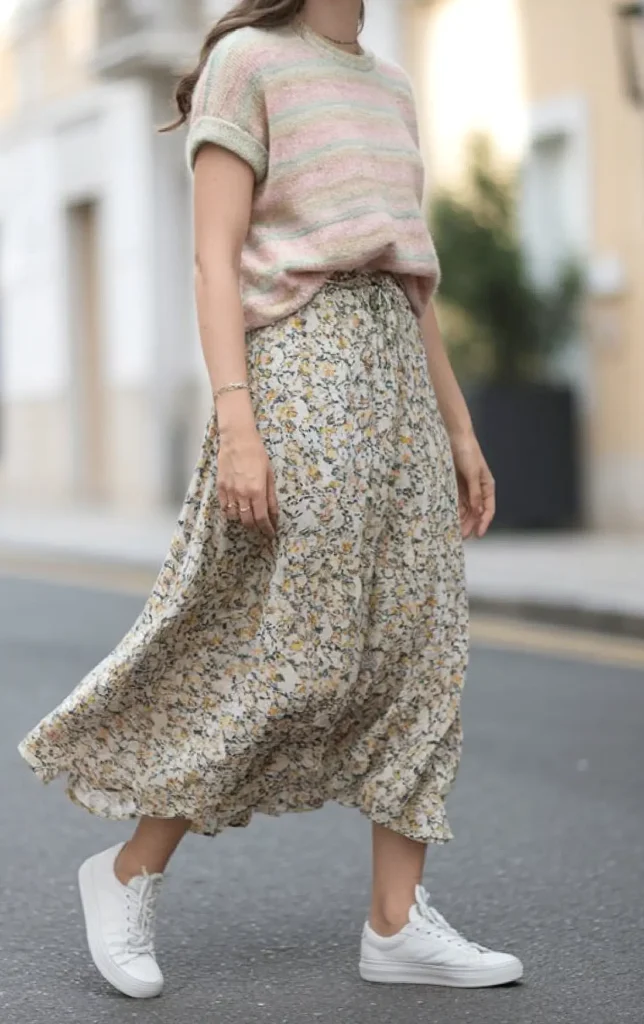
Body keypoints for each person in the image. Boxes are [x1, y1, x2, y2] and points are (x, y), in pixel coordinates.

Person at [19, 0, 523, 1001]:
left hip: (395, 381)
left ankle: (395, 922)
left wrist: (458, 427)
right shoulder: (247, 62)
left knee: (423, 648)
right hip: (300, 372)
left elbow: (410, 279)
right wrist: (238, 422)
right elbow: (215, 255)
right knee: (284, 651)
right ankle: (127, 870)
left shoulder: (389, 85)